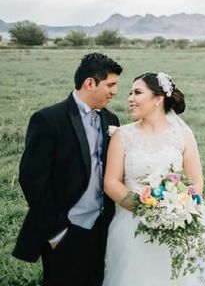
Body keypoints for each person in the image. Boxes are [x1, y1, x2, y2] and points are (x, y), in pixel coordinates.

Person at [103, 72, 205, 285]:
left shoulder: (182, 134)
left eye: (137, 92)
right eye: (130, 93)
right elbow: (111, 182)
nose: (130, 98)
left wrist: (178, 210)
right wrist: (147, 210)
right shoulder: (123, 135)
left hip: (182, 217)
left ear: (158, 99)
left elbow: (196, 182)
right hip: (134, 221)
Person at [13, 52, 123, 286]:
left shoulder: (111, 120)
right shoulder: (49, 119)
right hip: (66, 231)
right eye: (110, 85)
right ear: (90, 83)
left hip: (102, 228)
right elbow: (32, 180)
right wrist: (56, 232)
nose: (114, 92)